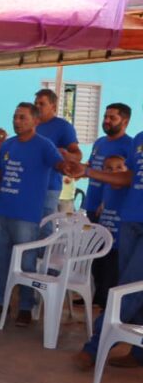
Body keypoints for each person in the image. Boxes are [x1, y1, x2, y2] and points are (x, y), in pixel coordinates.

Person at [0, 102, 66, 327]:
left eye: (22, 117)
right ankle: (0, 302)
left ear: (35, 121)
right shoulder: (8, 145)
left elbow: (60, 165)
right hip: (2, 210)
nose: (17, 121)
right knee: (0, 259)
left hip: (27, 214)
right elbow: (0, 175)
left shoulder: (44, 145)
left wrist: (72, 166)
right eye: (15, 117)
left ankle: (25, 306)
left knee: (26, 262)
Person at [70, 133, 143, 370]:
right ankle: (139, 352)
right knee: (133, 287)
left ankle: (94, 347)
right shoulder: (139, 139)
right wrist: (88, 171)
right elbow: (129, 177)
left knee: (129, 287)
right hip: (131, 220)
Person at [34, 88, 81, 229]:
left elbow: (77, 155)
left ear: (53, 107)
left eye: (42, 104)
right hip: (28, 185)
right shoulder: (31, 125)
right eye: (35, 103)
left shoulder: (63, 127)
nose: (37, 106)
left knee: (45, 228)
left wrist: (65, 154)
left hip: (49, 186)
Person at [83, 103, 133, 220]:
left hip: (112, 209)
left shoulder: (131, 145)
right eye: (105, 117)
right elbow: (91, 167)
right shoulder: (99, 142)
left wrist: (106, 201)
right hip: (91, 204)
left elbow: (130, 179)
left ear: (125, 122)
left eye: (112, 118)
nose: (106, 121)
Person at [92, 155, 128, 310]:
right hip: (105, 241)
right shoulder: (106, 188)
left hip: (118, 243)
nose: (114, 172)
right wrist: (102, 205)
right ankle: (100, 300)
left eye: (119, 167)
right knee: (99, 271)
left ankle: (110, 308)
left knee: (112, 276)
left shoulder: (128, 191)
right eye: (109, 168)